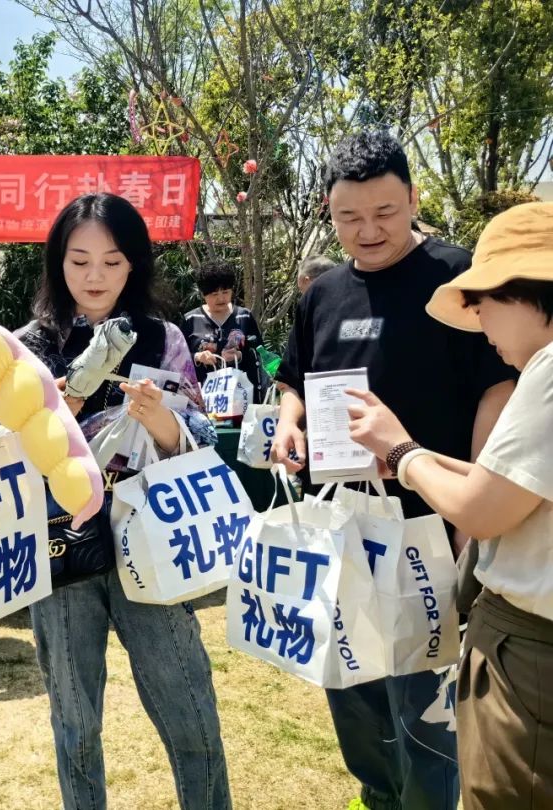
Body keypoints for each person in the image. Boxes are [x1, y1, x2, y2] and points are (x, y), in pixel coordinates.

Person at [271, 129, 516, 810]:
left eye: (385, 212)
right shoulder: (323, 293)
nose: (368, 230)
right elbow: (295, 378)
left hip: (428, 528)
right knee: (352, 690)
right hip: (341, 525)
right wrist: (289, 419)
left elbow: (497, 388)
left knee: (425, 708)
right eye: (349, 217)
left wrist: (471, 506)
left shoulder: (459, 279)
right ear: (328, 211)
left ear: (412, 198)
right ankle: (377, 797)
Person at [16, 193, 229, 810]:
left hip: (151, 533)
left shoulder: (164, 339)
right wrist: (59, 416)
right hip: (59, 544)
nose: (95, 276)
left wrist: (163, 422)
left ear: (133, 264)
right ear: (57, 263)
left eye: (112, 261)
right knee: (75, 720)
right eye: (79, 261)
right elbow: (7, 456)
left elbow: (200, 440)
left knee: (190, 709)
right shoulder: (28, 347)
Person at [345, 202, 553, 810]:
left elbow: (481, 510)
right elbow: (512, 487)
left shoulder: (547, 371)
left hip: (529, 652)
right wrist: (420, 460)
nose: (479, 323)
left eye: (481, 303)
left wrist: (401, 450)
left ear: (522, 292)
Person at [181, 259, 266, 403]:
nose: (221, 298)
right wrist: (198, 357)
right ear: (203, 294)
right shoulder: (191, 320)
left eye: (226, 292)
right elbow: (177, 358)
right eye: (214, 294)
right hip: (202, 402)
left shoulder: (244, 317)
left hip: (241, 400)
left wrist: (240, 356)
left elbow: (260, 354)